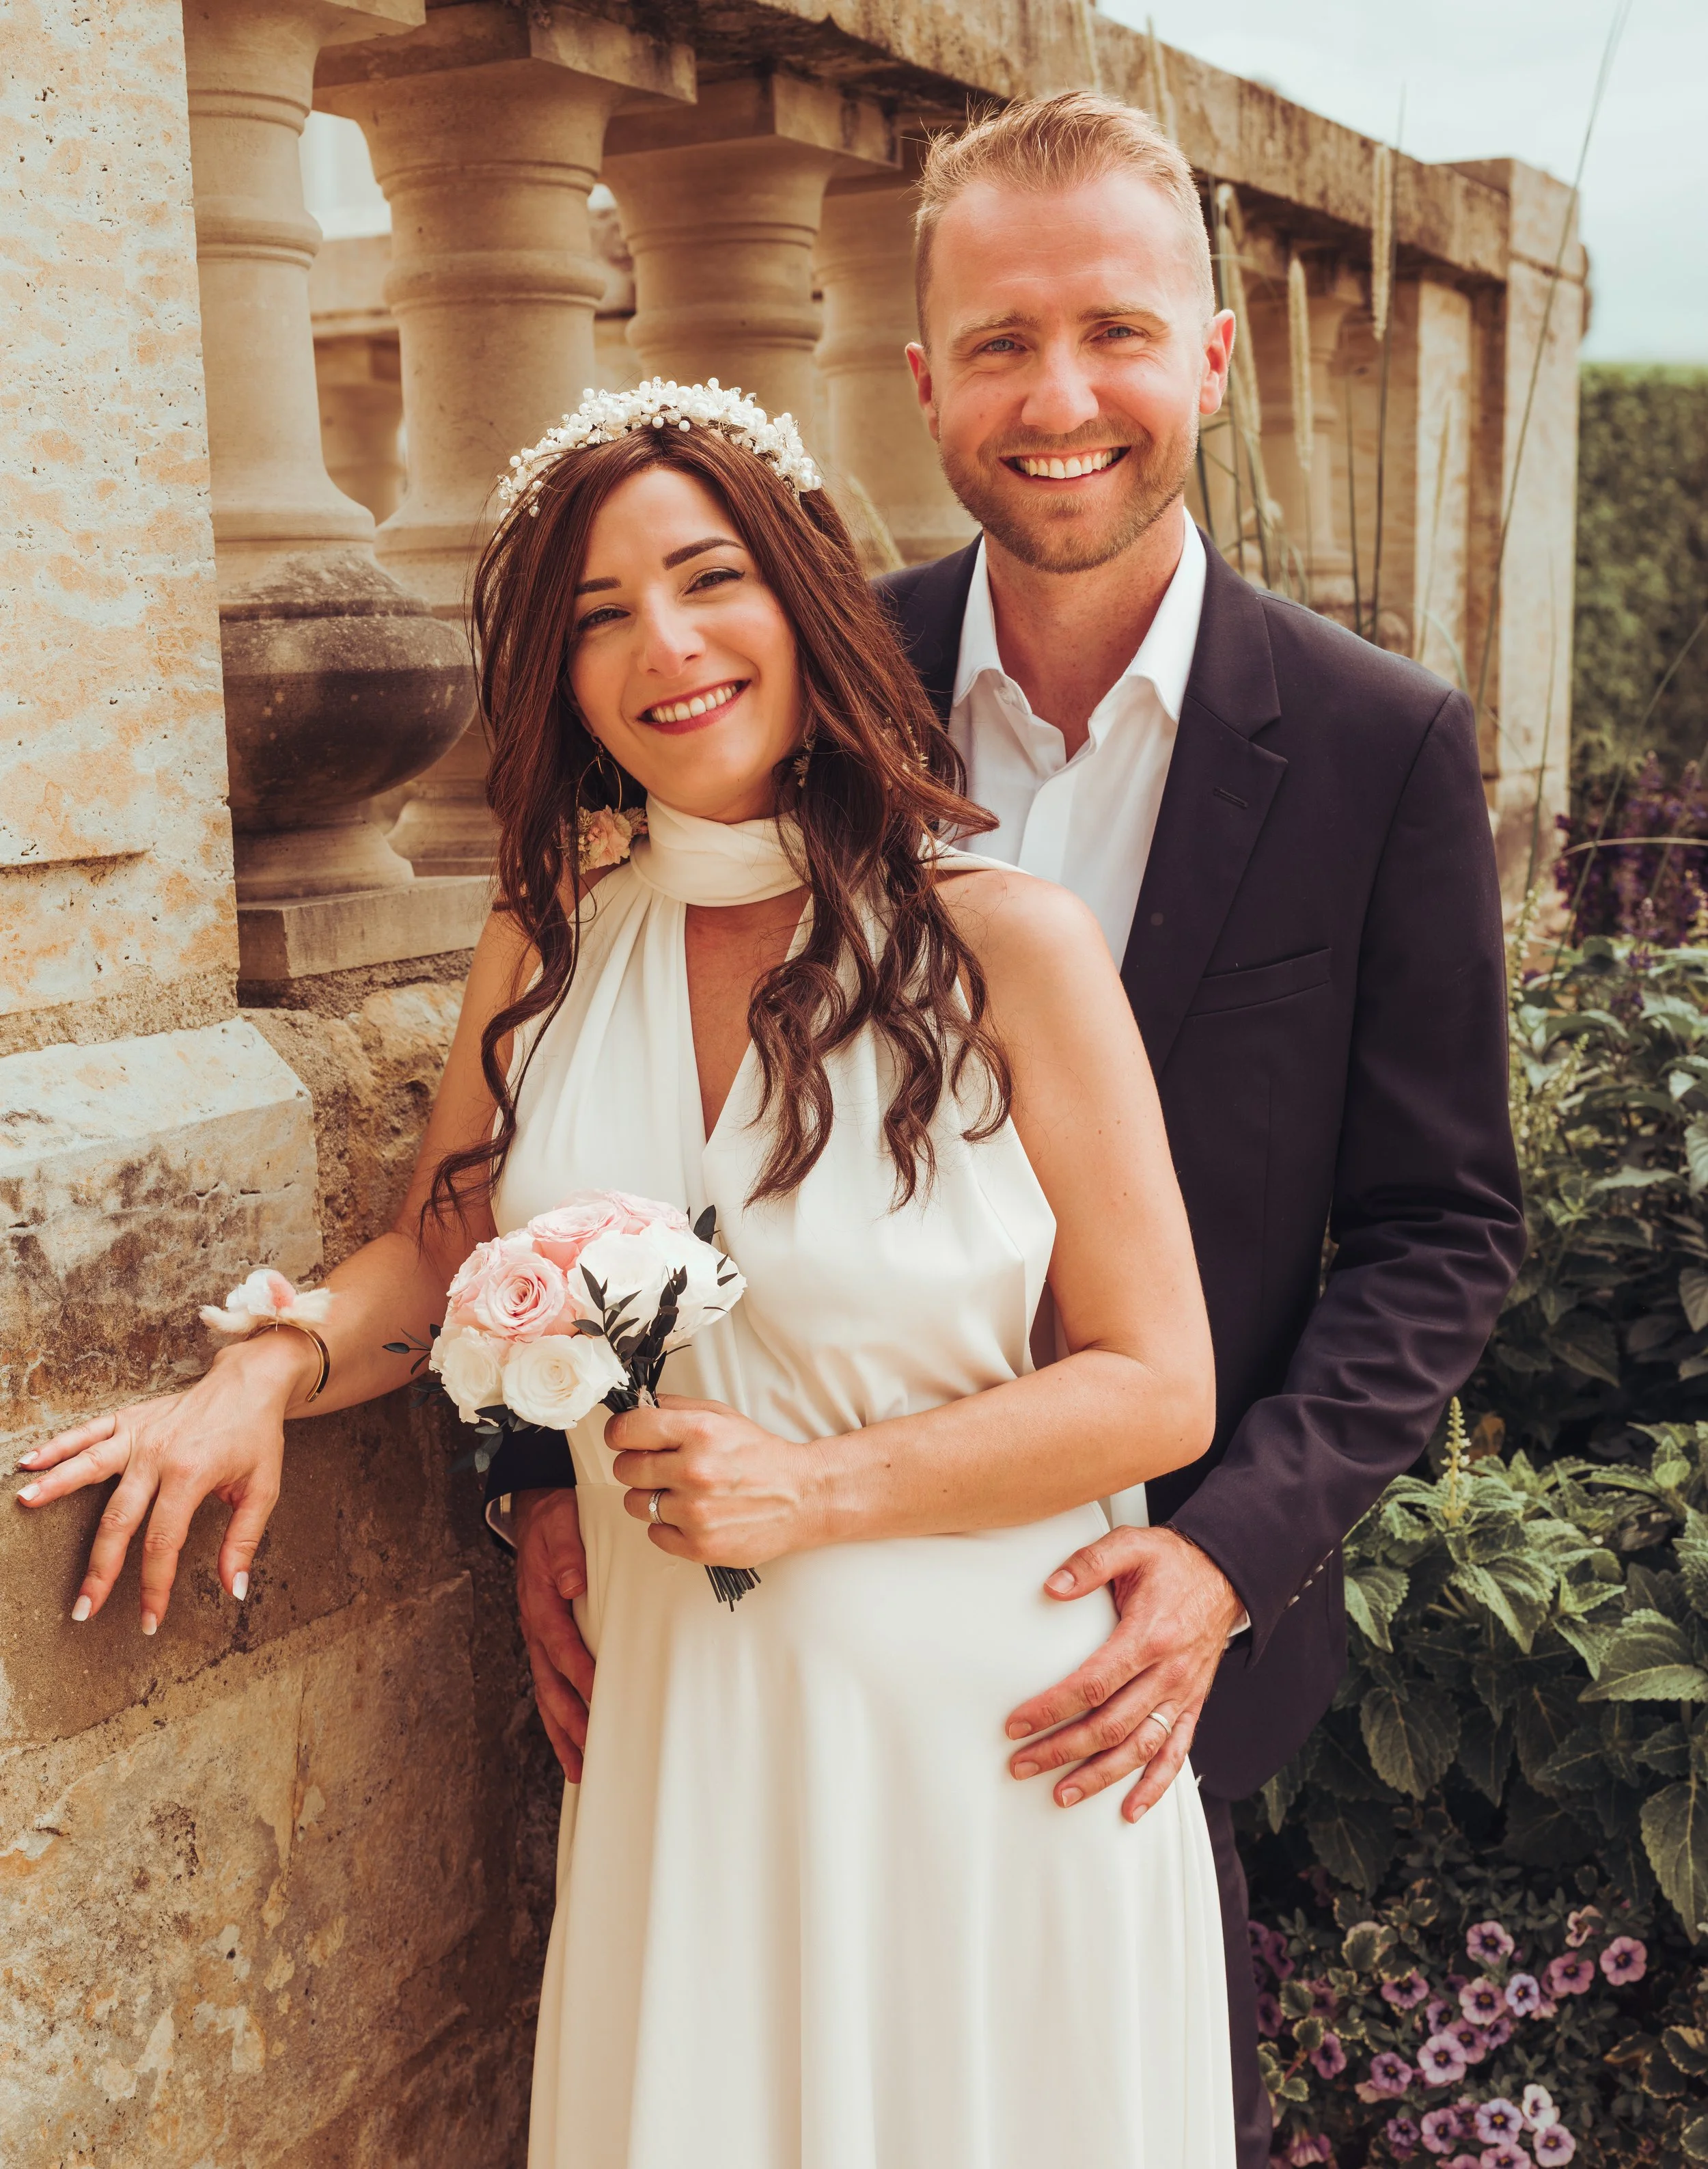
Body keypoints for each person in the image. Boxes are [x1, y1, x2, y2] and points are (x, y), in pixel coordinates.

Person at [21, 380, 1236, 2165]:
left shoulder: (1009, 946)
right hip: (685, 1751)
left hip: (987, 1749)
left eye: (706, 577)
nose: (661, 644)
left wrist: (814, 1486)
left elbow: (1155, 1380)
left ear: (805, 595)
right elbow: (444, 1250)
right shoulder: (552, 938)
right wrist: (264, 1369)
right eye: (595, 617)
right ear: (556, 682)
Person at [507, 91, 1526, 2169]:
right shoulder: (766, 670)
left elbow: (1438, 1228)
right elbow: (591, 1083)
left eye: (1117, 331)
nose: (1059, 396)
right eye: (997, 342)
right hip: (749, 1672)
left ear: (1212, 356)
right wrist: (538, 1464)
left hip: (1132, 1643)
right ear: (921, 381)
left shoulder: (1375, 744)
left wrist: (1227, 1558)